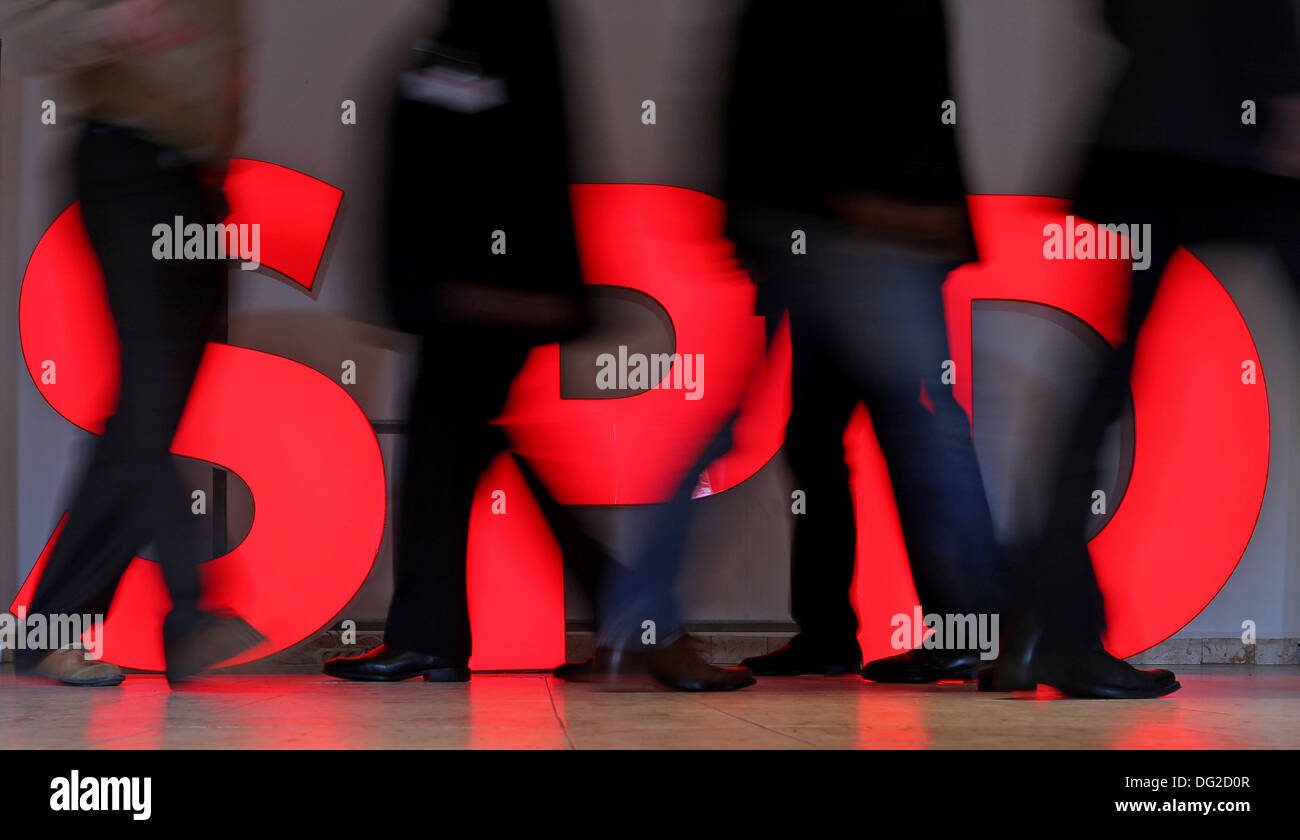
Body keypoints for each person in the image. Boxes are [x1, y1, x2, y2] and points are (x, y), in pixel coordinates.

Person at [322, 0, 752, 691]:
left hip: (478, 294)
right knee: (467, 453)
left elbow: (506, 154)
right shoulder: (495, 30)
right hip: (483, 291)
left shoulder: (492, 30)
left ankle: (451, 637)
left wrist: (466, 282)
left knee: (443, 454)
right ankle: (635, 625)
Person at [982, 0, 1300, 698]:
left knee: (1100, 389)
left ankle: (1045, 630)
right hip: (1236, 140)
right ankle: (1048, 631)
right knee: (1101, 388)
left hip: (1146, 138)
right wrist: (1282, 95)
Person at [723, 0, 1007, 683]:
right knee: (855, 435)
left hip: (860, 227)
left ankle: (958, 630)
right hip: (860, 226)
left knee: (895, 433)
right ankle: (950, 630)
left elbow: (880, 82)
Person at [2, 0, 261, 685]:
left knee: (143, 423)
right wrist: (109, 24)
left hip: (196, 189)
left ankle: (52, 628)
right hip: (128, 167)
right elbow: (26, 34)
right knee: (147, 409)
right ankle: (189, 609)